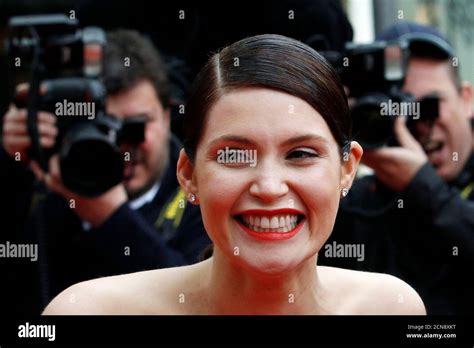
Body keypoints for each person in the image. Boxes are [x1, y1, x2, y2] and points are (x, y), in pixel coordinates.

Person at [42, 34, 425, 315]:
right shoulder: (87, 312)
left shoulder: (392, 307)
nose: (270, 187)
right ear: (189, 174)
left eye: (301, 154)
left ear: (346, 170)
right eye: (235, 155)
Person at [1, 30, 210, 315]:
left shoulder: (204, 190)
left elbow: (198, 301)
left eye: (134, 128)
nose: (119, 145)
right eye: (100, 128)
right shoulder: (48, 181)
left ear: (166, 116)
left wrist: (110, 216)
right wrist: (14, 162)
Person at [320, 22, 474, 314]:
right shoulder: (359, 201)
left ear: (466, 99)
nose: (417, 123)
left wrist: (422, 188)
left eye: (428, 106)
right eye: (397, 108)